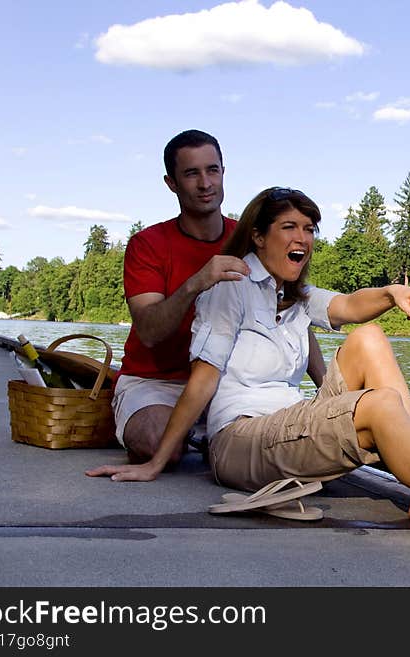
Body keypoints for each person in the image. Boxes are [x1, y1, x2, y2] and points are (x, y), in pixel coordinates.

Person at [89, 187, 410, 551]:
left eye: (308, 228)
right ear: (258, 237)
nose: (302, 237)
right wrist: (156, 463)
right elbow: (202, 381)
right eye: (289, 227)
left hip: (288, 425)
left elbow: (349, 306)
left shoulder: (296, 295)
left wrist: (391, 294)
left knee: (369, 338)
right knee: (380, 406)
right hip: (240, 440)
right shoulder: (230, 288)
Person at [113, 131, 326, 465]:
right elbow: (150, 331)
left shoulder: (251, 237)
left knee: (298, 435)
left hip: (230, 383)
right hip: (156, 382)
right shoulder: (147, 244)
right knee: (155, 443)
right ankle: (191, 435)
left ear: (224, 173)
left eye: (212, 170)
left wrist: (325, 390)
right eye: (191, 173)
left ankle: (207, 435)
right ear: (171, 183)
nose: (205, 183)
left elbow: (289, 311)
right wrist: (196, 282)